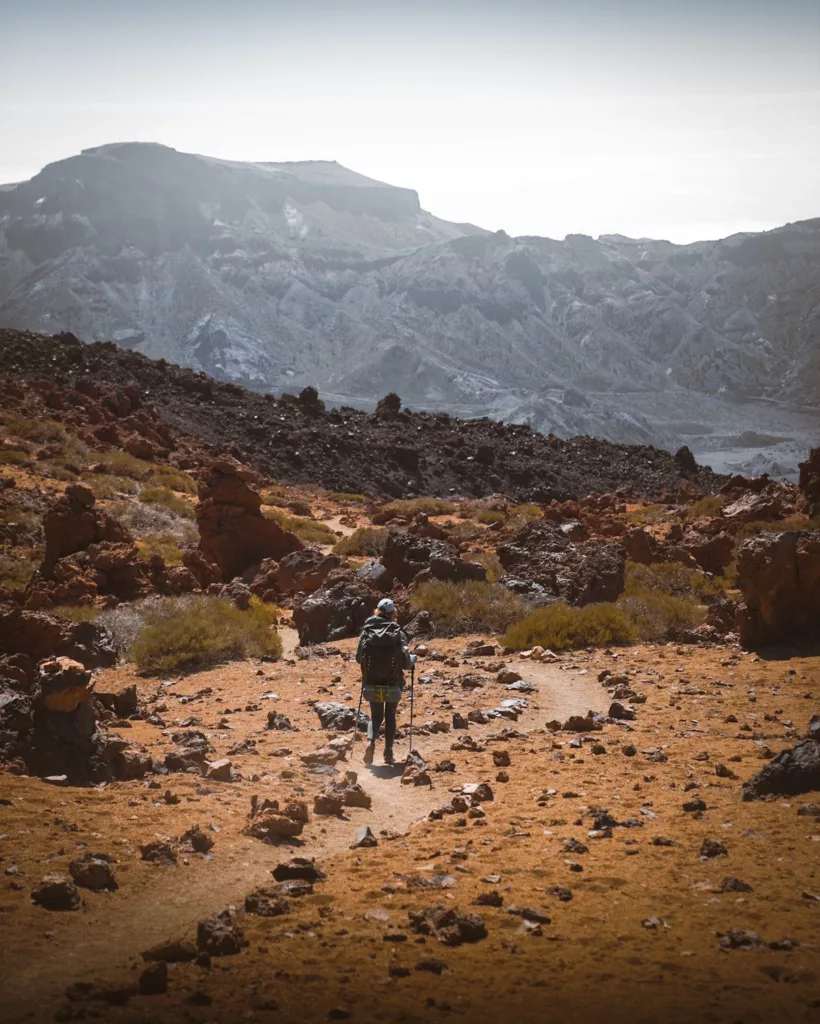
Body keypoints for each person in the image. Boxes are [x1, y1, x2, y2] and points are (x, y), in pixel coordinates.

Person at [355, 597, 413, 766]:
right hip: (393, 683)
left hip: (372, 683)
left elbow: (359, 658)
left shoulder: (366, 632)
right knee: (390, 716)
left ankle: (370, 742)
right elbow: (407, 663)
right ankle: (388, 752)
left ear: (377, 612)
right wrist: (413, 659)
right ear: (392, 613)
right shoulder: (398, 633)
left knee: (375, 716)